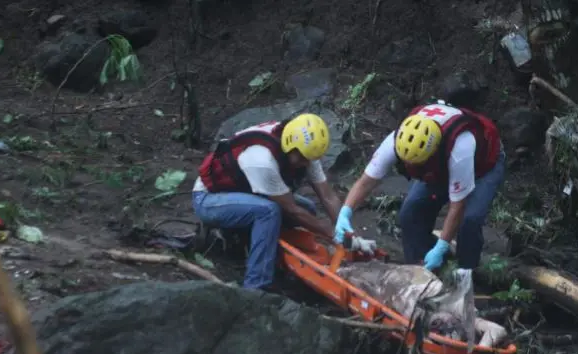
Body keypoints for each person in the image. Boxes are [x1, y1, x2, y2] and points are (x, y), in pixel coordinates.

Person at [192, 113, 377, 290]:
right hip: (210, 199)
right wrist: (335, 236)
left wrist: (351, 234)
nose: (305, 164)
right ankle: (256, 285)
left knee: (308, 208)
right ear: (290, 146)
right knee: (269, 212)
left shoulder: (306, 151)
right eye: (302, 159)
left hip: (248, 193)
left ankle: (269, 253)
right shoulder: (262, 159)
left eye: (309, 160)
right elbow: (291, 209)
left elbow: (327, 196)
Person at [334, 101, 506, 271]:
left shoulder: (460, 147)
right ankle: (420, 267)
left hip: (483, 165)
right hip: (438, 167)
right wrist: (345, 212)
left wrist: (441, 246)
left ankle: (465, 272)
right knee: (410, 213)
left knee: (470, 220)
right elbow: (366, 181)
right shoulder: (398, 140)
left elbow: (458, 206)